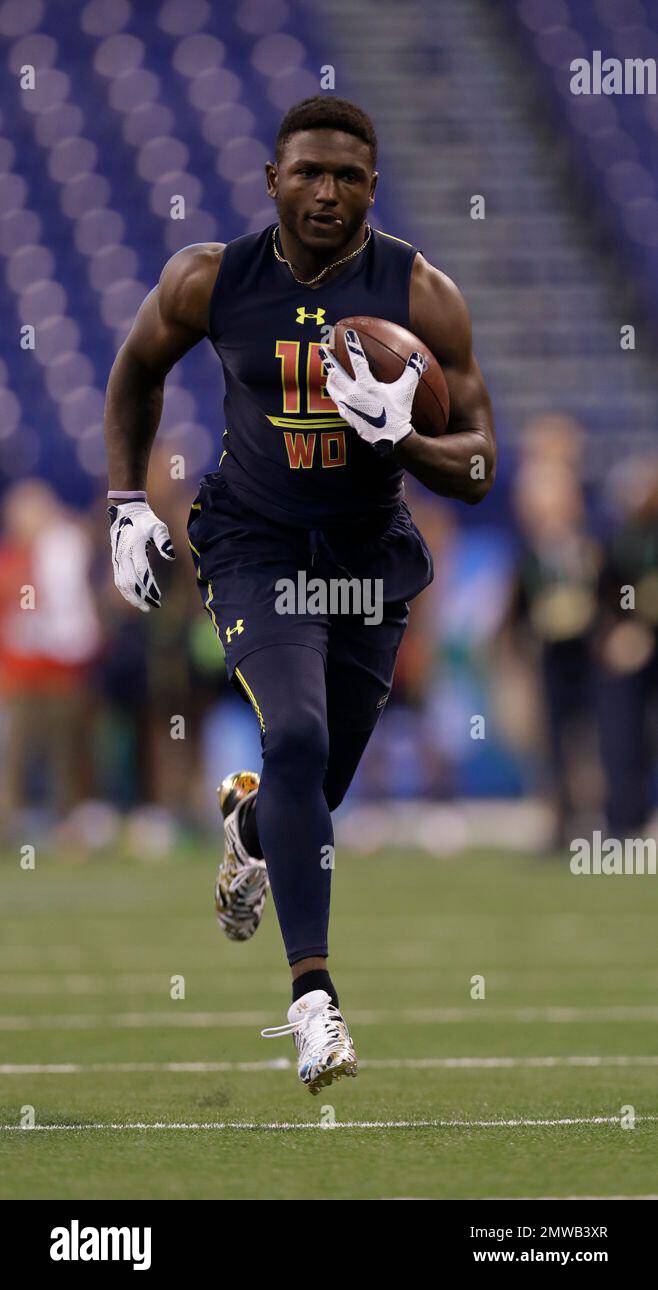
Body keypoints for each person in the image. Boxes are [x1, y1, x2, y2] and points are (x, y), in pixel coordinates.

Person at [103, 96, 495, 1093]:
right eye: (309, 173)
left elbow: (481, 461)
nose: (327, 192)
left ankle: (244, 832)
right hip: (255, 544)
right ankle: (313, 1004)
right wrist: (123, 502)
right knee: (297, 743)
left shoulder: (421, 292)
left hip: (366, 555)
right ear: (272, 180)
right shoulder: (212, 278)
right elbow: (137, 368)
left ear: (375, 185)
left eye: (349, 176)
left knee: (308, 795)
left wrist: (401, 436)